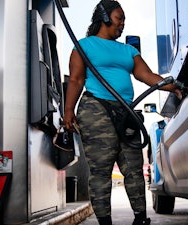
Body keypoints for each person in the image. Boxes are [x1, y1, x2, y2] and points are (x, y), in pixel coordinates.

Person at [63, 1, 181, 225]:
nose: (123, 23)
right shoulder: (84, 46)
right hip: (96, 109)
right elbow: (76, 79)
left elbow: (146, 75)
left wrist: (171, 85)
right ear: (105, 18)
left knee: (134, 168)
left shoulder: (129, 50)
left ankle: (140, 219)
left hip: (126, 112)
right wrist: (68, 111)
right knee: (101, 170)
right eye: (120, 18)